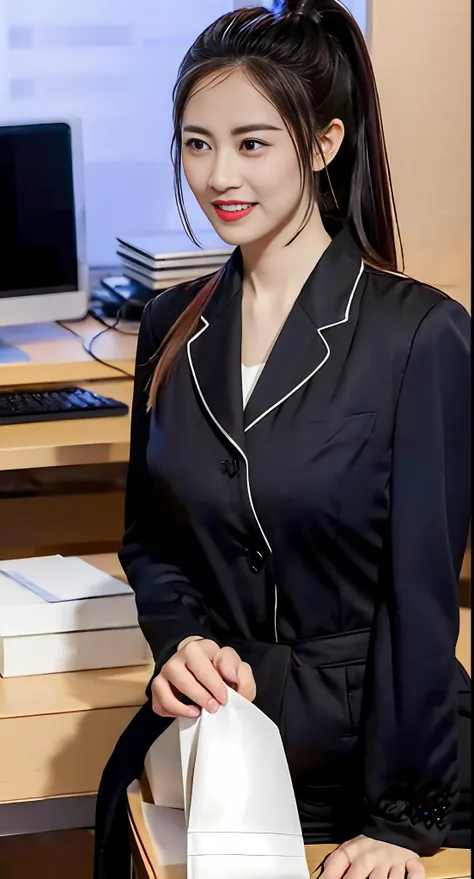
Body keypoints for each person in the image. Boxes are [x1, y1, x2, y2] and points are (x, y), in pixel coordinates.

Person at [94, 2, 471, 877]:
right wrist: (181, 643)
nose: (218, 173)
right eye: (196, 142)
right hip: (226, 734)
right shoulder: (169, 324)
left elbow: (422, 605)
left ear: (324, 142)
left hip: (383, 757)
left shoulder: (420, 336)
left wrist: (400, 823)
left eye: (253, 143)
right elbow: (151, 543)